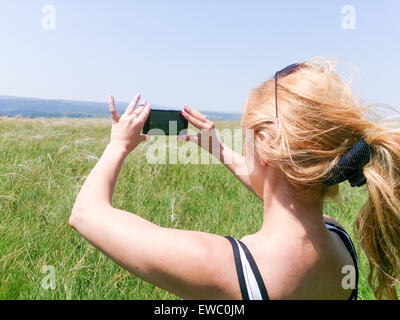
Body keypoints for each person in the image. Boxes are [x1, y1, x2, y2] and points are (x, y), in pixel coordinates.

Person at [69, 59, 400, 300]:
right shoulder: (339, 243)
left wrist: (117, 146)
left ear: (266, 144)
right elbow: (286, 195)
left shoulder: (225, 267)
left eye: (247, 137)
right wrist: (220, 150)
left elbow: (86, 214)